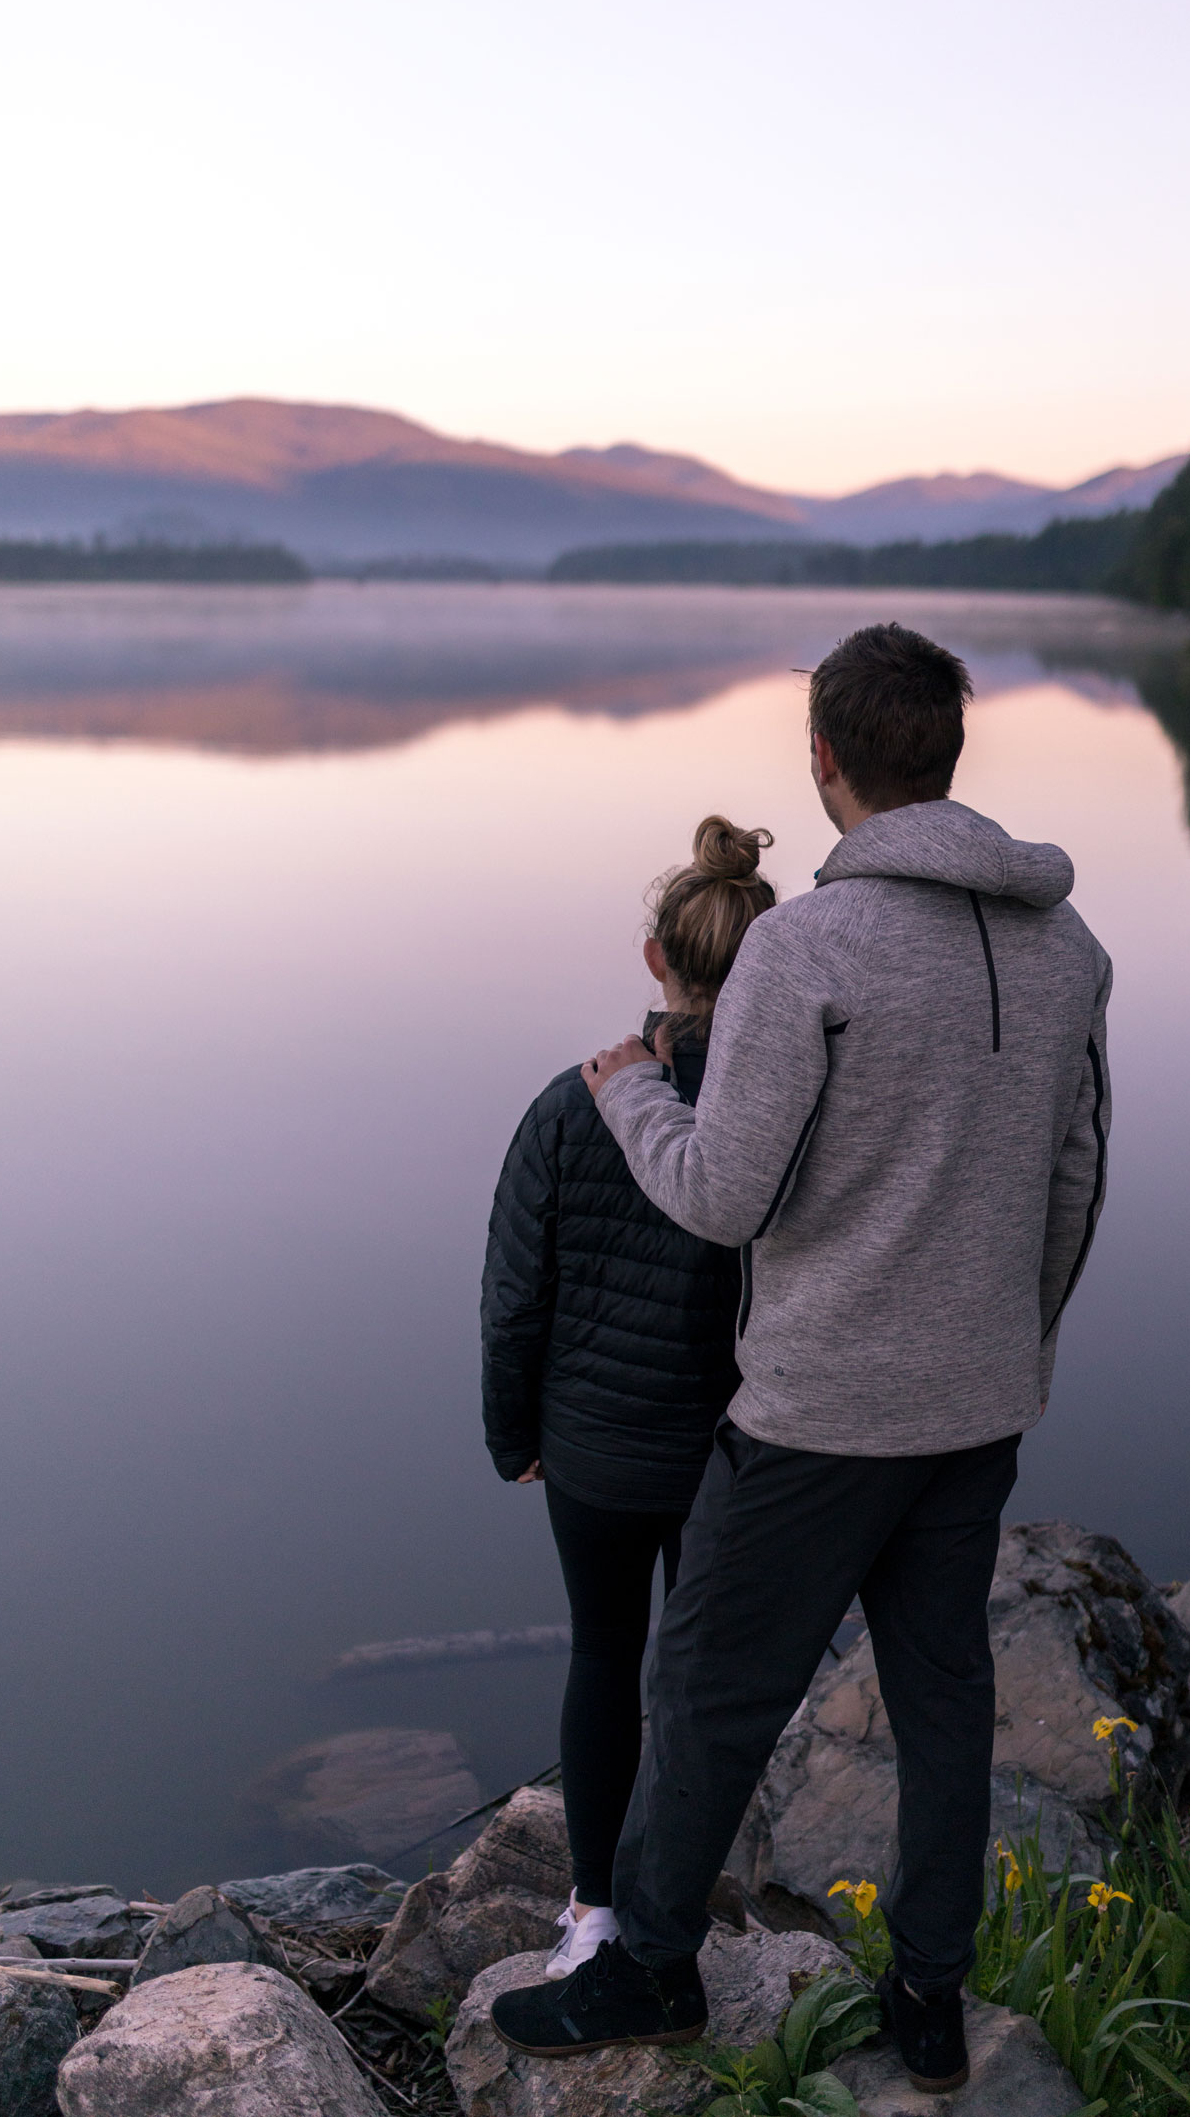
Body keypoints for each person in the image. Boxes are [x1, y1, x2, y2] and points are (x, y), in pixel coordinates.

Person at [490, 622, 1113, 2088]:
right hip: (975, 1405)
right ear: (951, 752)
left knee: (703, 1681)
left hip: (820, 1414)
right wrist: (1012, 1349)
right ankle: (930, 2003)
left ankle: (646, 1971)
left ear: (824, 760)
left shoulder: (806, 945)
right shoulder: (1072, 946)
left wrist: (638, 1092)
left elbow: (721, 1190)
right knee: (947, 1698)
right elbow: (1075, 1183)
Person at [480, 815, 776, 1979]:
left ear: (657, 958)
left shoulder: (570, 1105)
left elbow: (514, 1299)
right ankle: (683, 1906)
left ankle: (594, 1910)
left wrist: (517, 1437)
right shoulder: (784, 1114)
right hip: (734, 1457)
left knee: (605, 1657)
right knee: (700, 1684)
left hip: (593, 1453)